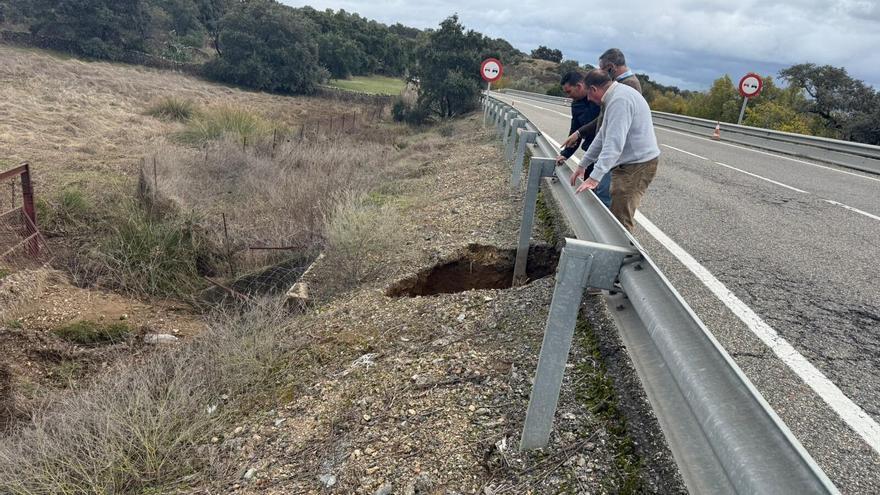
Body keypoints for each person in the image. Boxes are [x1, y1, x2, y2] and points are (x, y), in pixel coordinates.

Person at [574, 69, 660, 232]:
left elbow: (613, 144)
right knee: (613, 213)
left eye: (588, 94)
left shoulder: (620, 100)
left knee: (619, 219)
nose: (588, 99)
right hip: (630, 163)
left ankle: (624, 255)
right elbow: (602, 136)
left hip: (637, 166)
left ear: (593, 89)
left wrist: (594, 178)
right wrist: (583, 165)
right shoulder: (616, 96)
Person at [561, 48, 642, 150]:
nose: (602, 74)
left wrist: (579, 133)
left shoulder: (629, 85)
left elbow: (610, 121)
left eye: (602, 69)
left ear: (611, 67)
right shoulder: (620, 83)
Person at [555, 71, 611, 207]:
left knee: (603, 192)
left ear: (579, 86)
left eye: (569, 91)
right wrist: (565, 154)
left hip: (606, 153)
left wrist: (580, 133)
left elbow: (602, 123)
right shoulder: (576, 104)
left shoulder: (600, 100)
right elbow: (575, 131)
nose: (568, 96)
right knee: (589, 190)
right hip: (591, 153)